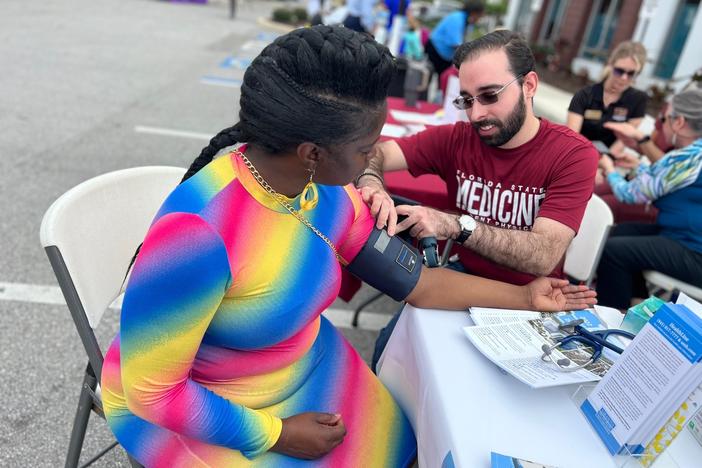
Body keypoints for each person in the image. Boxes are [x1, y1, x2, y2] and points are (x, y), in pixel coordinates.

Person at [100, 26, 595, 466]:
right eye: (366, 151)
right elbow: (153, 391)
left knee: (407, 446)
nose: (372, 163)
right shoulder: (198, 232)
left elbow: (417, 284)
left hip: (295, 362)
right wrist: (275, 435)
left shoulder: (325, 194)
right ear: (312, 153)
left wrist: (526, 298)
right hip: (199, 403)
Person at [357, 30, 599, 371]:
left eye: (489, 95)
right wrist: (372, 182)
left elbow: (544, 255)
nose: (476, 114)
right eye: (467, 100)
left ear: (529, 85)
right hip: (463, 276)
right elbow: (373, 153)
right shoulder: (458, 140)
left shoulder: (571, 154)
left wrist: (456, 224)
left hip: (535, 292)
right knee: (391, 351)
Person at [595, 86, 702, 310]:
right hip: (682, 238)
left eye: (665, 118)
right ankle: (637, 304)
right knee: (620, 232)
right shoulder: (693, 156)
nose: (662, 123)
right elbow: (669, 181)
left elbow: (628, 194)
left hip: (694, 253)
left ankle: (613, 316)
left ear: (679, 122)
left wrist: (609, 168)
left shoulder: (684, 159)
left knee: (613, 251)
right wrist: (640, 166)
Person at [567, 41, 648, 149]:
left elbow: (620, 143)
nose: (624, 77)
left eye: (631, 73)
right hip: (578, 154)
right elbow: (572, 138)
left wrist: (608, 159)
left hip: (609, 161)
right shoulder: (585, 95)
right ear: (611, 65)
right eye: (619, 71)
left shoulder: (638, 99)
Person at [425, 0, 485, 80]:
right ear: (474, 12)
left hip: (446, 55)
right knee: (434, 77)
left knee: (444, 79)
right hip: (436, 49)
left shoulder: (469, 22)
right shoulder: (457, 18)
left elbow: (465, 41)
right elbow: (455, 43)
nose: (480, 18)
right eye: (480, 15)